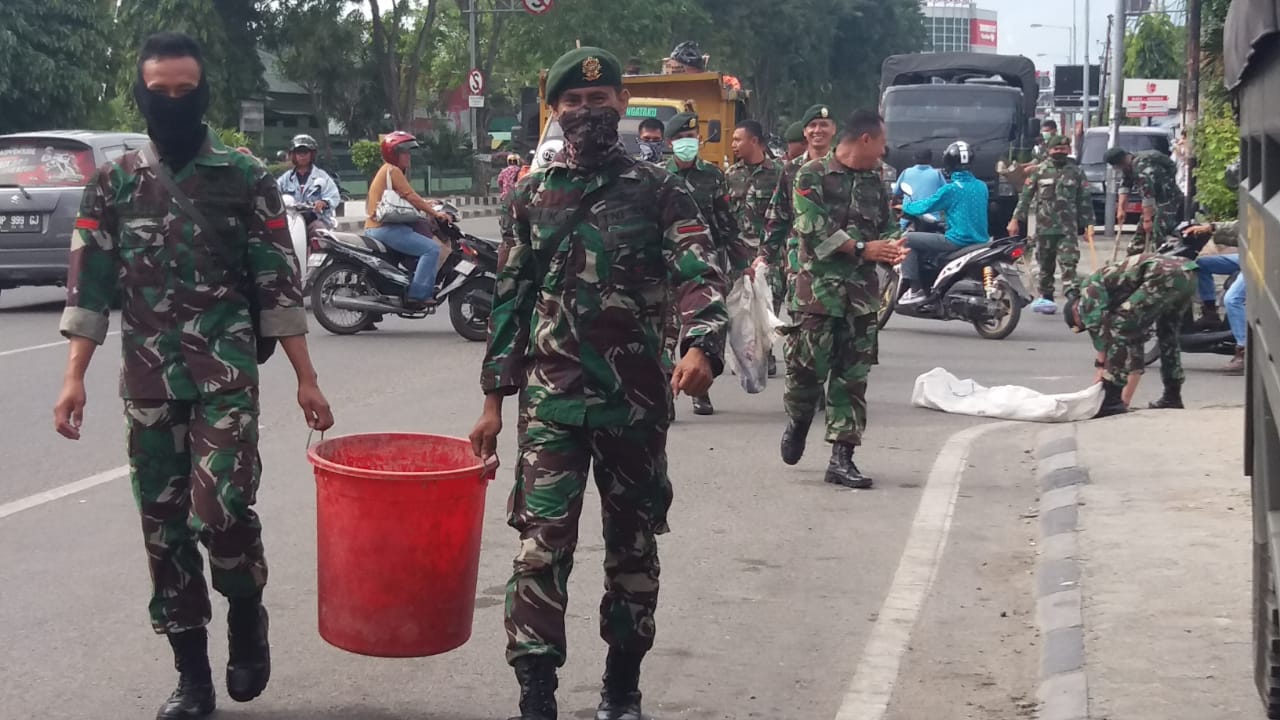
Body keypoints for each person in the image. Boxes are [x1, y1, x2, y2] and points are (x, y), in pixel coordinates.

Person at [51, 32, 334, 720]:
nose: (172, 102)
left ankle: (245, 612)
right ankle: (192, 677)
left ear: (203, 91)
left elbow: (277, 285)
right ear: (142, 93)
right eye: (160, 91)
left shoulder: (243, 175)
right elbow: (90, 288)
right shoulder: (113, 182)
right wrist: (73, 380)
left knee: (222, 509)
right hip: (147, 383)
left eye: (185, 90)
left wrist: (305, 379)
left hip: (224, 378)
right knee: (163, 528)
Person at [468, 47, 728, 720]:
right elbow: (509, 301)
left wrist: (703, 341)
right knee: (539, 549)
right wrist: (493, 402)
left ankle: (622, 685)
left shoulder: (661, 188)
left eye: (601, 98)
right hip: (551, 404)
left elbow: (698, 269)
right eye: (574, 102)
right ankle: (536, 692)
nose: (589, 110)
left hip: (634, 405)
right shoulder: (528, 196)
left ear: (621, 105)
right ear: (553, 112)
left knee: (632, 549)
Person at [780, 110, 906, 489]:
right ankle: (799, 420)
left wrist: (894, 244)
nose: (884, 152)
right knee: (805, 376)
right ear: (865, 140)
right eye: (881, 144)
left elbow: (888, 222)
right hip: (817, 296)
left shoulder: (875, 181)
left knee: (852, 379)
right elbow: (813, 229)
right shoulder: (810, 175)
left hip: (862, 299)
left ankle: (842, 458)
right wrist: (865, 248)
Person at [665, 109, 743, 416]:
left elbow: (726, 222)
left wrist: (742, 263)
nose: (687, 142)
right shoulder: (657, 175)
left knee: (705, 328)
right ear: (670, 143)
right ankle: (665, 394)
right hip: (668, 266)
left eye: (691, 137)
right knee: (665, 331)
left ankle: (700, 391)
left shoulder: (712, 176)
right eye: (681, 138)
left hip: (705, 265)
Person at [1065, 252, 1197, 417]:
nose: (1085, 324)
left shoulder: (1088, 290)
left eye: (1081, 325)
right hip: (1187, 273)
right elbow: (1134, 335)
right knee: (1168, 335)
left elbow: (1101, 331)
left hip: (1161, 275)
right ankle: (1172, 395)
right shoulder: (1113, 290)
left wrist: (1101, 368)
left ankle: (1112, 401)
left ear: (1075, 313)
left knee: (1119, 327)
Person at [759, 104, 838, 307]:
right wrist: (764, 256)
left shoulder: (843, 167)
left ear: (834, 129)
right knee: (800, 320)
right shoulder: (791, 169)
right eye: (812, 125)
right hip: (799, 259)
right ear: (805, 132)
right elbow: (778, 215)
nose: (818, 130)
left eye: (824, 125)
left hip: (837, 259)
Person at [364, 131, 450, 311]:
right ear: (393, 154)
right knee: (431, 248)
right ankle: (418, 294)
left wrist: (427, 204)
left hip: (381, 226)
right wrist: (435, 213)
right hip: (383, 228)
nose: (408, 156)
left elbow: (406, 199)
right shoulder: (392, 170)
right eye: (404, 152)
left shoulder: (388, 170)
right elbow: (410, 196)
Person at [1007, 135, 1092, 313]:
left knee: (1069, 263)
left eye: (1063, 149)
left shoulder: (1076, 172)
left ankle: (1072, 301)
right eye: (1056, 149)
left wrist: (1088, 225)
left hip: (1067, 229)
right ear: (1049, 151)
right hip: (1044, 229)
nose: (1059, 152)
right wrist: (1015, 219)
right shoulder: (1039, 171)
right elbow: (1026, 197)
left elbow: (1084, 200)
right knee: (1045, 267)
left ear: (1069, 150)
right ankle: (1047, 299)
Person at [898, 141, 990, 305]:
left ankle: (915, 290)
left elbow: (926, 205)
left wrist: (906, 207)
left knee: (907, 239)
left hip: (956, 241)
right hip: (981, 241)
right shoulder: (982, 186)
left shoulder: (952, 189)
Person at [727, 119, 783, 375]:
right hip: (738, 252)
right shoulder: (730, 176)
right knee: (737, 305)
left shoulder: (780, 173)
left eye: (738, 139)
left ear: (754, 141)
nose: (734, 144)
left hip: (768, 252)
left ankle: (767, 350)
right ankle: (742, 351)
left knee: (769, 302)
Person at [1185, 220, 1245, 372]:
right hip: (1249, 255)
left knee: (1232, 299)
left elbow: (1242, 226)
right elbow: (1244, 226)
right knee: (1200, 264)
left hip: (1264, 260)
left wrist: (1211, 227)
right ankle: (1210, 314)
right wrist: (1209, 229)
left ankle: (1243, 350)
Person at [1104, 146, 1184, 255]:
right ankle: (1133, 259)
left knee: (1157, 232)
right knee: (1140, 233)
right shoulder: (1128, 166)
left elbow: (1148, 196)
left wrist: (1147, 220)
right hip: (1154, 202)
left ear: (1120, 163)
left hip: (1168, 200)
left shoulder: (1141, 168)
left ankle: (1158, 261)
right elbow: (1125, 186)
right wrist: (1121, 210)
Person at [276, 133, 341, 233]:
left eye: (305, 152)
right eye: (299, 152)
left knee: (318, 234)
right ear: (293, 155)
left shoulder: (322, 177)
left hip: (316, 220)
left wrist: (324, 203)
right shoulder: (285, 179)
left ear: (312, 154)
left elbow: (334, 196)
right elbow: (274, 192)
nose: (302, 156)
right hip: (292, 221)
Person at [893, 149, 946, 231]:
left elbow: (896, 193)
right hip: (932, 221)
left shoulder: (906, 172)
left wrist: (893, 204)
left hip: (908, 221)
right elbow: (946, 194)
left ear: (914, 158)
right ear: (930, 159)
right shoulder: (937, 174)